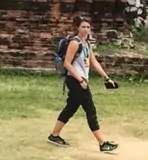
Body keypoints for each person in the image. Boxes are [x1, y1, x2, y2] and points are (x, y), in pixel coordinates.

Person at [48, 15, 118, 152]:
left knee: (70, 108)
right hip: (75, 80)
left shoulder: (86, 43)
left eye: (88, 27)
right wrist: (80, 80)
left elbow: (93, 62)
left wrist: (106, 77)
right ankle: (102, 143)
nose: (86, 30)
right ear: (77, 28)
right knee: (90, 110)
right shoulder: (75, 43)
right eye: (83, 27)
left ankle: (54, 135)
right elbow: (67, 64)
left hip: (81, 81)